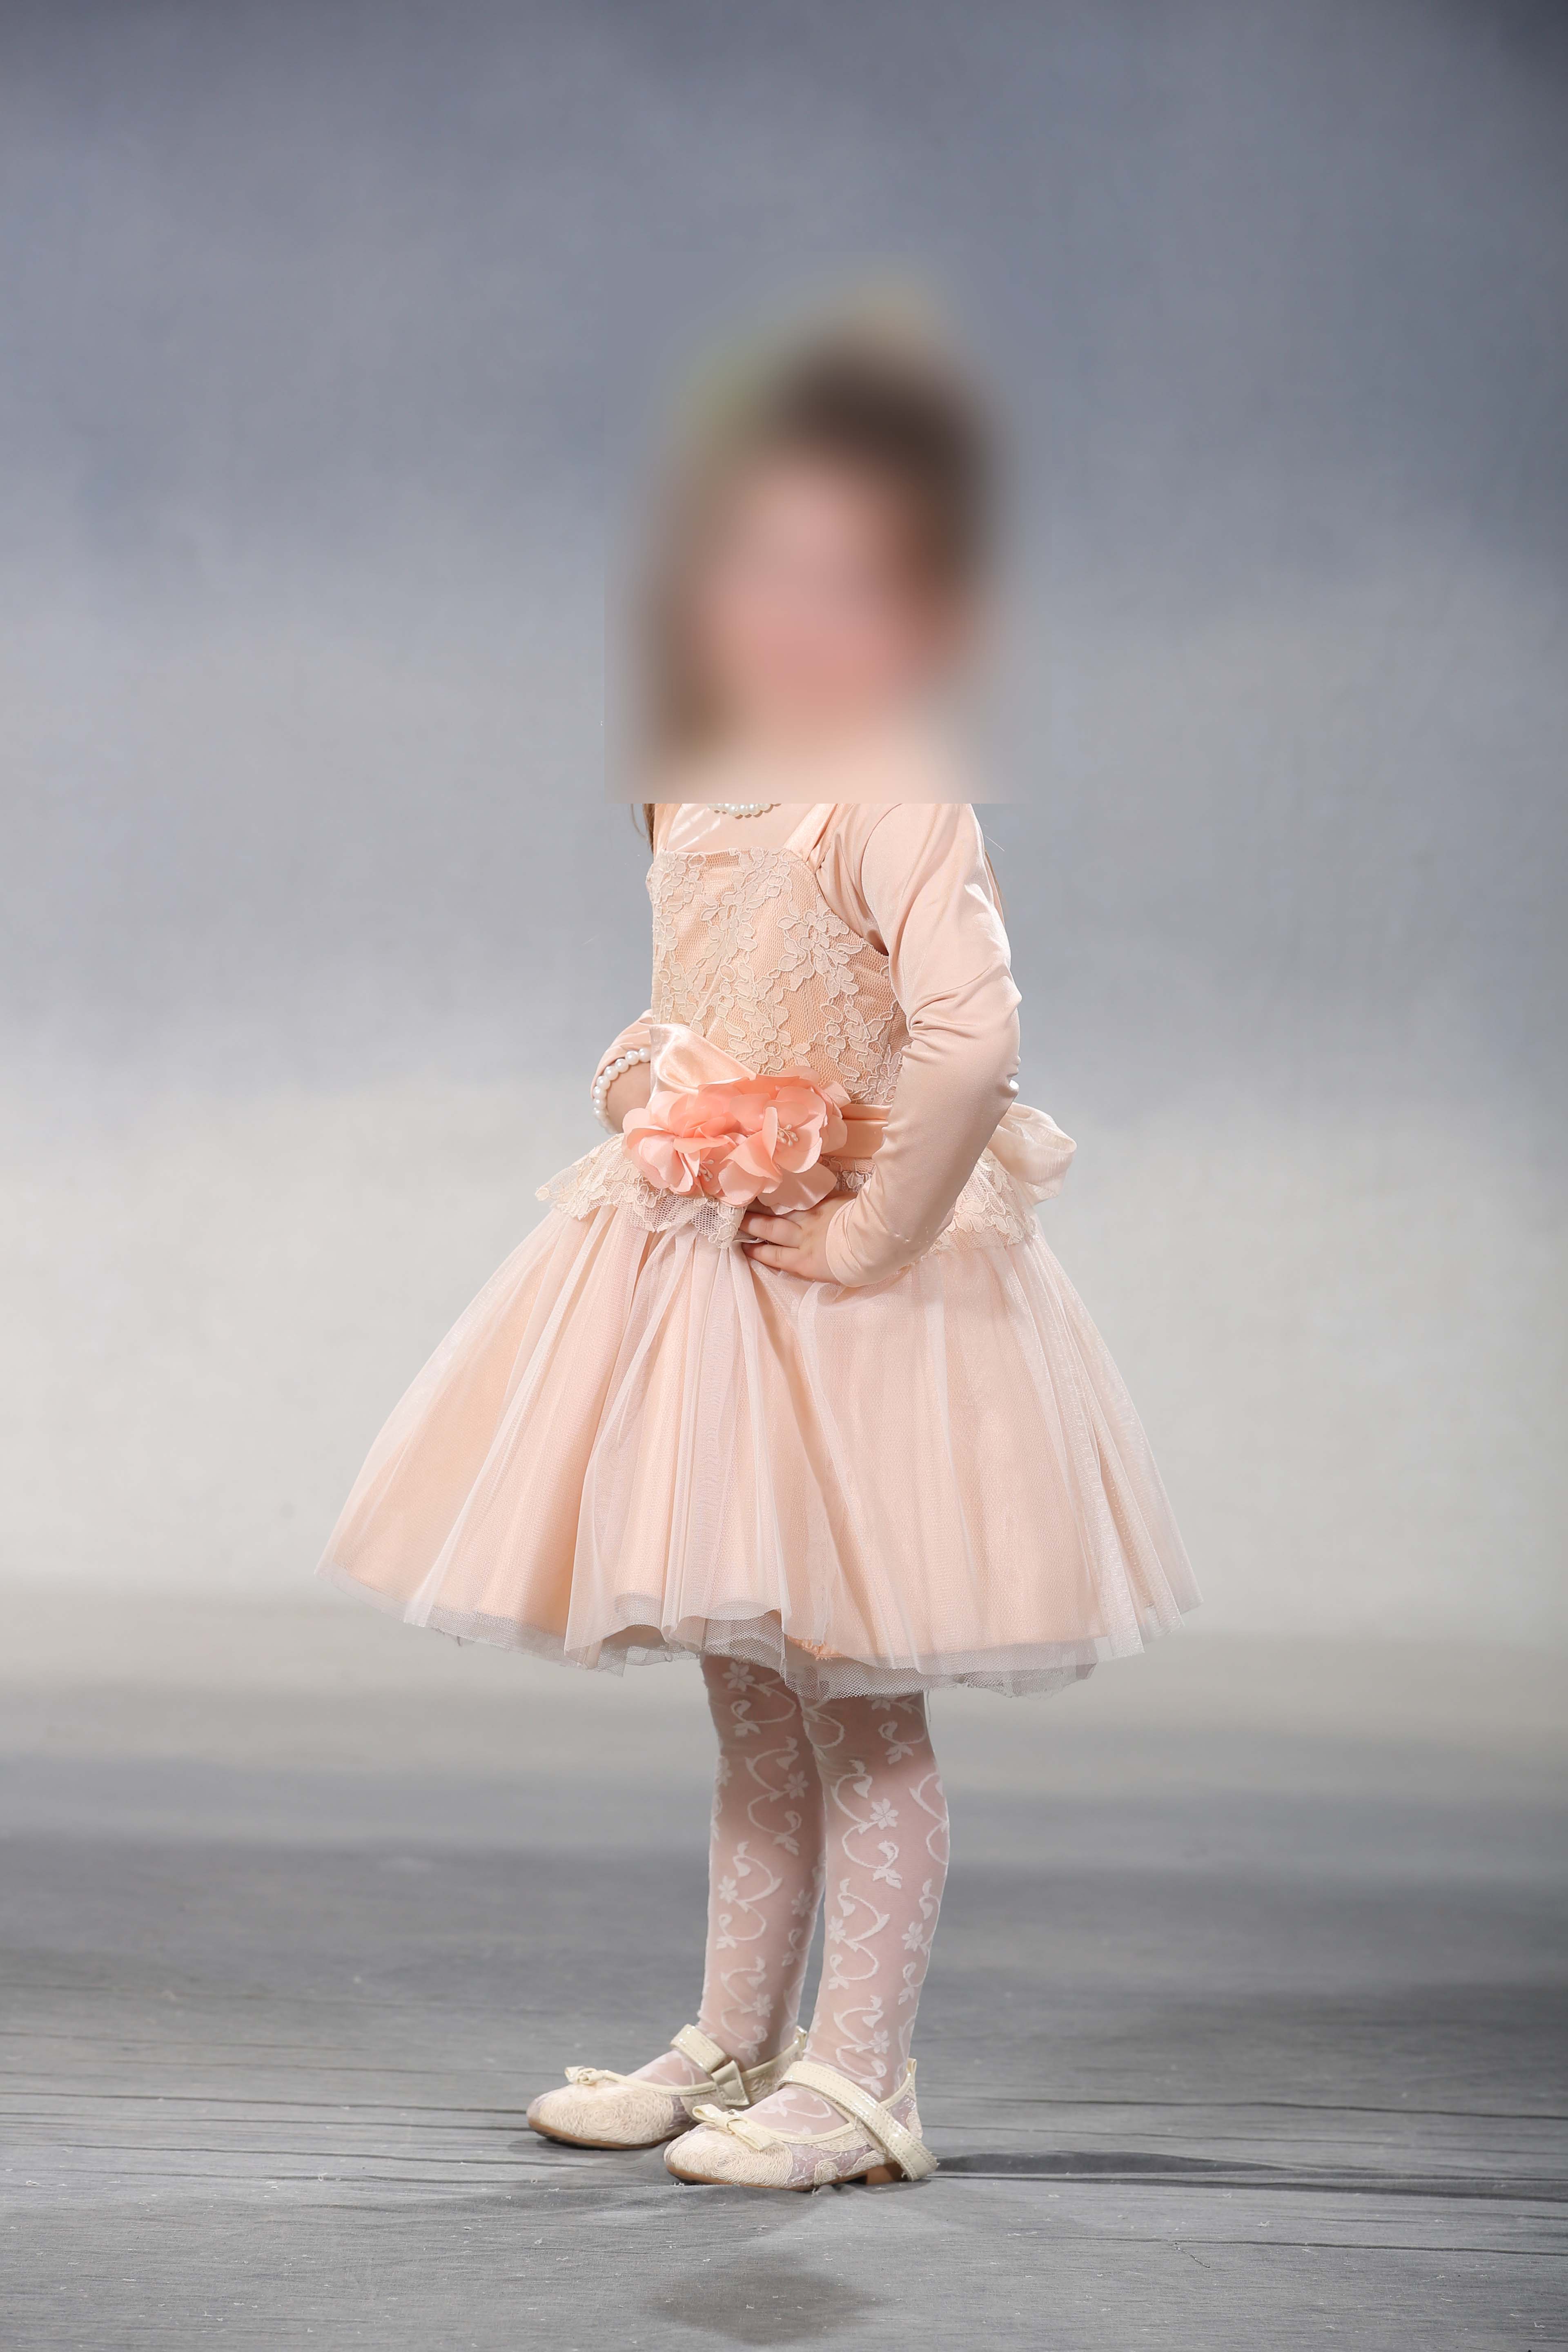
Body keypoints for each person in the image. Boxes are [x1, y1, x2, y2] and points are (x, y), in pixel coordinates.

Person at [320, 306, 1198, 2191]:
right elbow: (692, 997)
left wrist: (875, 1228)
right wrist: (648, 1075)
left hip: (856, 1300)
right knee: (751, 1696)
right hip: (710, 1285)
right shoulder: (693, 777)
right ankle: (736, 2036)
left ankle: (866, 2076)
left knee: (862, 1698)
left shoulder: (893, 794)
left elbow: (971, 1036)